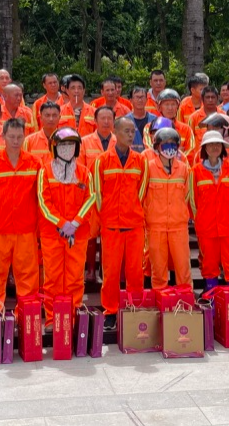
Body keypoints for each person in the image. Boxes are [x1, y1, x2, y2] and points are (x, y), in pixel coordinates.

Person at [0, 119, 41, 326]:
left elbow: (38, 196)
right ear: (3, 137)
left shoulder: (35, 163)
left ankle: (26, 315)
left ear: (24, 136)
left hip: (26, 228)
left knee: (28, 275)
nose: (15, 141)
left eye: (19, 136)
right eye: (11, 136)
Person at [93, 117, 149, 331]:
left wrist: (133, 210)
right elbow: (97, 193)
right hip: (111, 226)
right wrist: (106, 217)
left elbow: (142, 192)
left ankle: (134, 309)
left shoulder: (140, 161)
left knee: (135, 272)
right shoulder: (102, 161)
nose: (130, 134)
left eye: (132, 131)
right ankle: (110, 311)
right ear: (115, 132)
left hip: (134, 225)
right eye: (126, 131)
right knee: (111, 273)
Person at [37, 127, 96, 328]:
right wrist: (62, 224)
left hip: (78, 235)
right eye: (63, 145)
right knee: (52, 278)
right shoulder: (45, 171)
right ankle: (52, 318)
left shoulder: (84, 172)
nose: (67, 148)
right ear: (54, 147)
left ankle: (73, 318)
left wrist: (76, 223)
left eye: (71, 144)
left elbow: (91, 198)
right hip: (52, 234)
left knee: (75, 278)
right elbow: (43, 202)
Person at [189, 131, 229, 291]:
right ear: (204, 148)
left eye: (218, 144)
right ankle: (211, 296)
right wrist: (200, 220)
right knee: (209, 263)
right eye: (211, 144)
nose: (214, 147)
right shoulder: (195, 171)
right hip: (207, 227)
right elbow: (192, 201)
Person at [145, 127, 193, 291]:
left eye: (173, 143)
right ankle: (161, 300)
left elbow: (187, 195)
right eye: (165, 143)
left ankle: (185, 300)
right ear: (157, 146)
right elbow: (142, 195)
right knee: (158, 270)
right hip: (156, 227)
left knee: (183, 268)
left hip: (178, 226)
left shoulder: (184, 168)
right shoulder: (148, 167)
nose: (169, 147)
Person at [142, 88, 196, 154]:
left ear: (177, 107)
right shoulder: (149, 127)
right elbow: (150, 149)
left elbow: (191, 151)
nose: (170, 108)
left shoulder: (186, 129)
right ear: (159, 107)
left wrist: (176, 157)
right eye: (166, 104)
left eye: (173, 104)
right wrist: (177, 151)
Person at [24, 101, 63, 166]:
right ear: (41, 118)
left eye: (54, 115)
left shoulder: (66, 140)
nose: (51, 119)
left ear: (59, 118)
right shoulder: (29, 141)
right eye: (47, 115)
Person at [124, 87, 152, 153]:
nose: (140, 100)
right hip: (132, 156)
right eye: (137, 97)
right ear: (131, 100)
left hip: (150, 157)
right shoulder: (125, 121)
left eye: (142, 97)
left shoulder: (154, 120)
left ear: (146, 99)